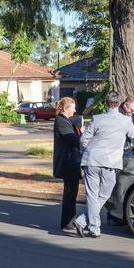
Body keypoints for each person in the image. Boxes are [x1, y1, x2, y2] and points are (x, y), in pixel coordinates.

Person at [72, 91, 134, 238]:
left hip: (91, 160)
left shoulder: (97, 119)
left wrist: (89, 151)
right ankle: (93, 227)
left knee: (93, 195)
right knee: (104, 194)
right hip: (111, 162)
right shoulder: (126, 121)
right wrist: (124, 147)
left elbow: (83, 140)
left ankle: (83, 221)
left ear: (106, 103)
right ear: (119, 104)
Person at [106, 95, 134, 226]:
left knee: (128, 185)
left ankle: (127, 213)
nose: (133, 113)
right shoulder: (117, 113)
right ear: (125, 105)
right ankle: (112, 214)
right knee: (116, 185)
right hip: (118, 154)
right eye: (131, 110)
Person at [53, 97, 83, 231]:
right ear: (65, 109)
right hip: (68, 162)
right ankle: (67, 222)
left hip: (70, 161)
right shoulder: (61, 121)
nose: (75, 110)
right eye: (73, 108)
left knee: (72, 192)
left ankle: (69, 220)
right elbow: (73, 139)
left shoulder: (65, 121)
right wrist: (81, 133)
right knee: (70, 193)